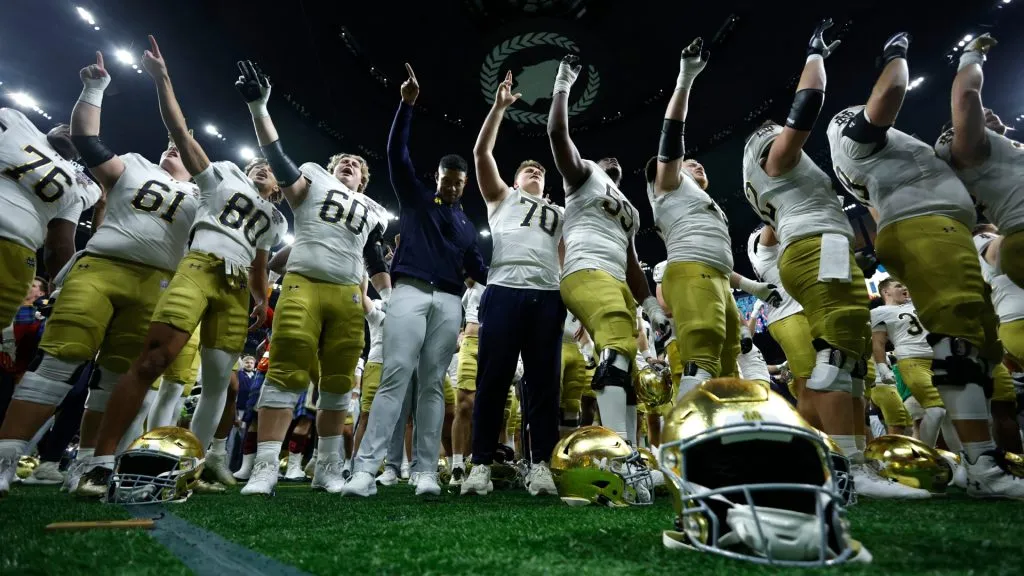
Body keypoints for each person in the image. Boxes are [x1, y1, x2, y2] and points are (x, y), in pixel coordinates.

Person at [76, 37, 286, 497]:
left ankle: (196, 466)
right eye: (254, 165)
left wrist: (260, 301)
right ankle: (100, 460)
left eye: (266, 168)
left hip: (234, 288)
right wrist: (162, 79)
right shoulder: (219, 177)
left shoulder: (275, 219)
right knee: (154, 359)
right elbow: (182, 130)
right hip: (199, 266)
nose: (259, 169)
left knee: (216, 383)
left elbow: (259, 266)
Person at [829, 32, 1022, 497]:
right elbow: (891, 92)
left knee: (978, 346)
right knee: (957, 338)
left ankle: (979, 458)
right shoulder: (857, 140)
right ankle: (981, 464)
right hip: (925, 226)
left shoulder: (892, 162)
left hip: (937, 227)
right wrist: (894, 53)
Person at [2, 50, 203, 497]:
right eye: (169, 144)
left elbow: (183, 135)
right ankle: (6, 455)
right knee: (60, 358)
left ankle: (94, 465)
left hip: (158, 282)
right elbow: (87, 139)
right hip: (102, 267)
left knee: (117, 375)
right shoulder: (132, 165)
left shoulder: (203, 193)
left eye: (181, 147)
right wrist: (95, 88)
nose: (173, 148)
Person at [741, 20, 923, 499]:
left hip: (825, 244)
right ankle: (847, 467)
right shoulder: (776, 161)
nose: (784, 134)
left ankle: (818, 458)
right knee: (840, 346)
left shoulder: (778, 188)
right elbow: (806, 108)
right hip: (817, 244)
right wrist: (814, 57)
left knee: (847, 351)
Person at [233, 60, 390, 496]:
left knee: (339, 383)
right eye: (344, 161)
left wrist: (388, 298)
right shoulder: (313, 181)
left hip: (345, 294)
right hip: (303, 283)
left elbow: (374, 257)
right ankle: (265, 465)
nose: (349, 165)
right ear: (330, 166)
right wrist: (259, 109)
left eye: (357, 165)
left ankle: (327, 465)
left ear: (363, 179)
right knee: (285, 371)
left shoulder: (373, 211)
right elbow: (280, 162)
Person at [342, 64, 487, 498]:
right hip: (408, 291)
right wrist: (406, 106)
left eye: (461, 183)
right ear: (438, 177)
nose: (456, 187)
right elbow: (395, 155)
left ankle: (426, 470)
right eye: (449, 180)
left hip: (448, 302)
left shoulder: (465, 225)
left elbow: (481, 270)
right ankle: (366, 469)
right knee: (396, 374)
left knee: (432, 383)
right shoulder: (417, 198)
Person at [546, 53, 670, 453]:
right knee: (616, 341)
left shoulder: (629, 207)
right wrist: (563, 84)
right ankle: (618, 456)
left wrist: (650, 305)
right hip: (586, 269)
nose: (612, 160)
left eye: (616, 160)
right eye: (605, 159)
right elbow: (556, 135)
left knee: (626, 362)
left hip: (618, 278)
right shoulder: (585, 177)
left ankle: (631, 453)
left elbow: (633, 261)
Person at [645, 37, 780, 399]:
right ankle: (682, 448)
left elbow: (720, 263)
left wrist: (753, 288)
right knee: (701, 359)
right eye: (689, 163)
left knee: (725, 368)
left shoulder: (708, 204)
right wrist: (685, 79)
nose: (696, 163)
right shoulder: (669, 185)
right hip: (691, 271)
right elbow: (671, 140)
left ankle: (717, 446)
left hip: (717, 278)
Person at [465, 70, 565, 497]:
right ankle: (480, 463)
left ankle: (540, 462)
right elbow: (480, 152)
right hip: (504, 289)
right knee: (493, 379)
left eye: (540, 171)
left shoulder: (560, 214)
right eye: (528, 170)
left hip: (548, 295)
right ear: (517, 178)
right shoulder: (502, 198)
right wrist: (499, 107)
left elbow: (566, 259)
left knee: (544, 384)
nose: (535, 174)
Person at [0, 103, 99, 332]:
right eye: (67, 126)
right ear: (51, 129)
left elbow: (60, 244)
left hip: (17, 255)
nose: (72, 131)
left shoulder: (84, 185)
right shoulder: (16, 123)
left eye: (79, 134)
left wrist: (64, 290)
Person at [936, 34, 1023, 292]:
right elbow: (966, 96)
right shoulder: (965, 148)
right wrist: (973, 55)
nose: (987, 110)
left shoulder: (994, 154)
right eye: (979, 113)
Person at [746, 227, 819, 427]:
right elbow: (770, 230)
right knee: (810, 386)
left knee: (838, 383)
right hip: (789, 313)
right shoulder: (762, 237)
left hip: (807, 309)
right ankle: (816, 445)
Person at [870, 279, 953, 446]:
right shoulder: (879, 311)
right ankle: (925, 457)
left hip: (941, 359)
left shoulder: (919, 304)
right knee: (936, 410)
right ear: (886, 292)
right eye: (898, 286)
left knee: (950, 415)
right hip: (912, 360)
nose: (905, 288)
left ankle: (960, 459)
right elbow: (878, 342)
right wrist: (882, 366)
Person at [451, 281, 483, 487]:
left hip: (499, 339)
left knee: (491, 407)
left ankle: (478, 462)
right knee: (464, 405)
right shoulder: (479, 275)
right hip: (472, 341)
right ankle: (457, 465)